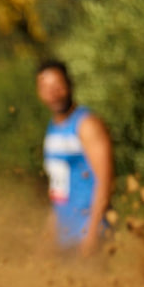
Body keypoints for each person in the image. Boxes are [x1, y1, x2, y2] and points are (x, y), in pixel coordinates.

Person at [36, 60, 114, 257]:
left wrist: (92, 233)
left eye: (58, 85)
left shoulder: (86, 124)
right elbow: (60, 188)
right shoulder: (53, 129)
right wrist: (47, 236)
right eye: (46, 88)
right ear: (39, 92)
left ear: (70, 84)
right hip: (65, 239)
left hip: (89, 236)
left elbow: (105, 181)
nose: (53, 93)